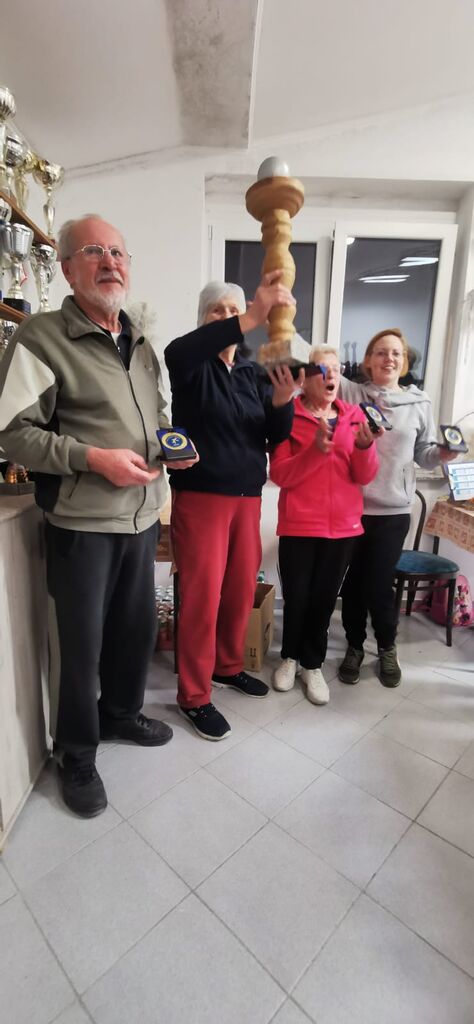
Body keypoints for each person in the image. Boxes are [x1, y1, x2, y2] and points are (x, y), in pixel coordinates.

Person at [0, 214, 196, 817]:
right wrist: (92, 459)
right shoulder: (41, 337)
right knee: (78, 649)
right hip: (81, 525)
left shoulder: (140, 342)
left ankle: (119, 715)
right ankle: (76, 753)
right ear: (65, 267)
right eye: (93, 250)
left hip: (142, 518)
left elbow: (155, 418)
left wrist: (171, 445)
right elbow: (13, 432)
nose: (110, 261)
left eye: (118, 252)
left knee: (134, 632)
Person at [165, 272, 300, 740]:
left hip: (247, 499)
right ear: (203, 319)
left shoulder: (252, 371)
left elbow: (273, 435)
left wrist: (282, 401)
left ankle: (226, 666)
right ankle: (194, 695)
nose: (226, 317)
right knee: (201, 599)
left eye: (233, 310)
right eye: (217, 311)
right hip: (201, 498)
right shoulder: (190, 363)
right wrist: (252, 315)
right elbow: (177, 351)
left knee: (240, 590)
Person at [338, 327, 458, 687]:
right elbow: (317, 360)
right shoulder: (353, 393)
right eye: (381, 352)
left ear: (404, 362)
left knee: (378, 585)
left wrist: (442, 455)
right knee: (352, 584)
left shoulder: (419, 403)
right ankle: (354, 646)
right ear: (368, 360)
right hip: (352, 509)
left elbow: (424, 453)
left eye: (396, 353)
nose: (388, 358)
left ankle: (387, 647)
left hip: (393, 511)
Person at [270, 347, 379, 704]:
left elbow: (364, 476)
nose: (332, 375)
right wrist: (315, 450)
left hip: (344, 528)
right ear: (305, 379)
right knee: (297, 597)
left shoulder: (354, 416)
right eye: (322, 369)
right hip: (299, 525)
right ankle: (289, 657)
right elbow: (280, 474)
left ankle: (312, 664)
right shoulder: (288, 416)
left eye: (336, 368)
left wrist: (365, 449)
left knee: (324, 599)